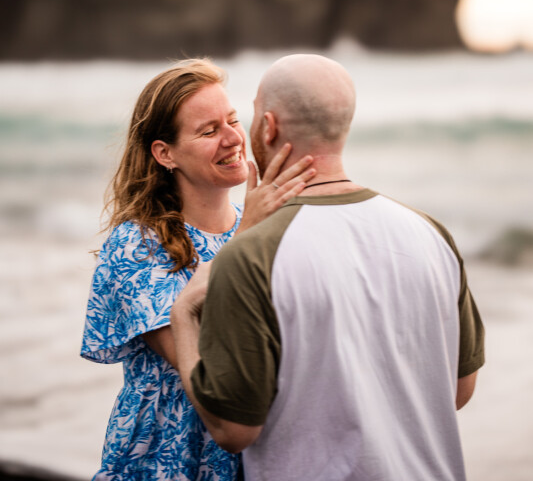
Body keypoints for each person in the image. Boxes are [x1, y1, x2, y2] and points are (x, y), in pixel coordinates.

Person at [171, 53, 485, 481]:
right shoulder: (430, 233)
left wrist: (184, 317)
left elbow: (232, 429)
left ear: (268, 126)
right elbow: (458, 389)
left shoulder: (250, 257)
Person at [80, 58, 316, 481]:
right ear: (165, 153)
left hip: (254, 459)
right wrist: (249, 233)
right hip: (166, 463)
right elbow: (201, 362)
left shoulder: (258, 225)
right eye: (208, 131)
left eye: (232, 120)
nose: (232, 138)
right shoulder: (136, 244)